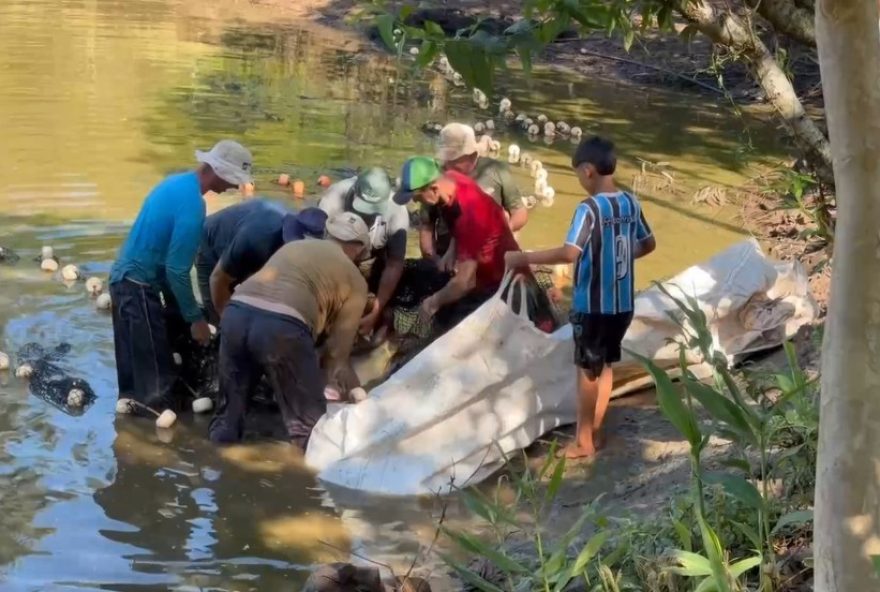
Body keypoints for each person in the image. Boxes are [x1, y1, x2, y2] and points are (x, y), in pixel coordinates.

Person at [505, 136, 656, 459]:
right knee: (607, 364)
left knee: (587, 371)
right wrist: (622, 260)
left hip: (594, 304)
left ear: (588, 171)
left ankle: (583, 441)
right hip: (624, 303)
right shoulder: (630, 202)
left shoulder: (589, 208)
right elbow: (648, 244)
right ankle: (596, 432)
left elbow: (570, 252)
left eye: (577, 175)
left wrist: (523, 258)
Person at [109, 140, 253, 412]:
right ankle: (161, 446)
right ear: (217, 171)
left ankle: (128, 442)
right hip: (138, 288)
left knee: (131, 390)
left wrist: (176, 307)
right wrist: (195, 319)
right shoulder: (192, 204)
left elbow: (161, 259)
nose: (235, 187)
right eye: (233, 179)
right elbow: (176, 270)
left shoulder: (175, 184)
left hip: (121, 283)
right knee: (156, 391)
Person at [209, 212, 370, 449]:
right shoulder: (356, 280)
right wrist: (349, 395)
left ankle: (217, 469)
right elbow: (336, 355)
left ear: (328, 234)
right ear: (358, 248)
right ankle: (303, 482)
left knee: (226, 421)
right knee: (310, 431)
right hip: (283, 327)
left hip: (236, 313)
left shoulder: (293, 247)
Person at [393, 156, 524, 333]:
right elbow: (457, 222)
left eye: (417, 197)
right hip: (480, 267)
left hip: (500, 286)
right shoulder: (452, 179)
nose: (416, 202)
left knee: (448, 333)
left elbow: (465, 283)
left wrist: (432, 303)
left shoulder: (469, 217)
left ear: (433, 189)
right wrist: (451, 252)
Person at [196, 199, 328, 324]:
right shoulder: (259, 239)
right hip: (210, 243)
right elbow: (217, 279)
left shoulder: (311, 232)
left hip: (249, 236)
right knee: (221, 315)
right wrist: (227, 324)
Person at [318, 167, 409, 336]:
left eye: (372, 209)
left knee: (381, 312)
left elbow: (395, 264)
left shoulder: (397, 212)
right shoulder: (334, 198)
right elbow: (316, 249)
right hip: (334, 255)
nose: (365, 214)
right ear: (354, 192)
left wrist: (377, 309)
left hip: (373, 260)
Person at [419, 123, 526, 263]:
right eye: (446, 159)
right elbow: (426, 224)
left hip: (487, 252)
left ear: (472, 154)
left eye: (454, 159)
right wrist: (433, 259)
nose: (448, 165)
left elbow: (520, 213)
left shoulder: (496, 171)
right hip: (446, 253)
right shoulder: (437, 177)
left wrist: (500, 235)